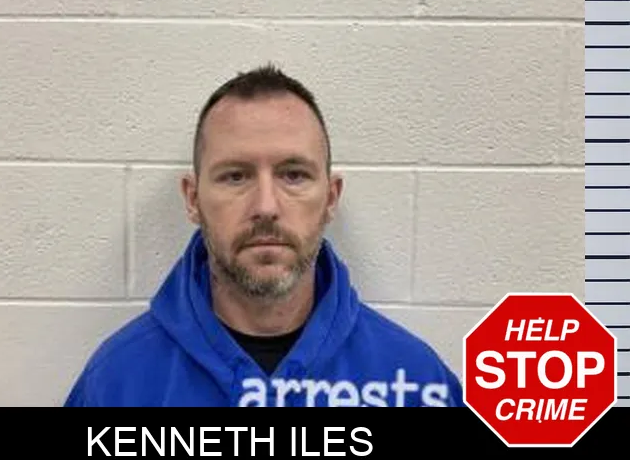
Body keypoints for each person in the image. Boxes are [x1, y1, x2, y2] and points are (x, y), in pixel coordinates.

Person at [64, 64, 464, 407]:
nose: (266, 206)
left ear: (330, 198)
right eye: (236, 176)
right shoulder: (117, 384)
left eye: (294, 175)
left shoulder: (413, 381)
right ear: (193, 199)